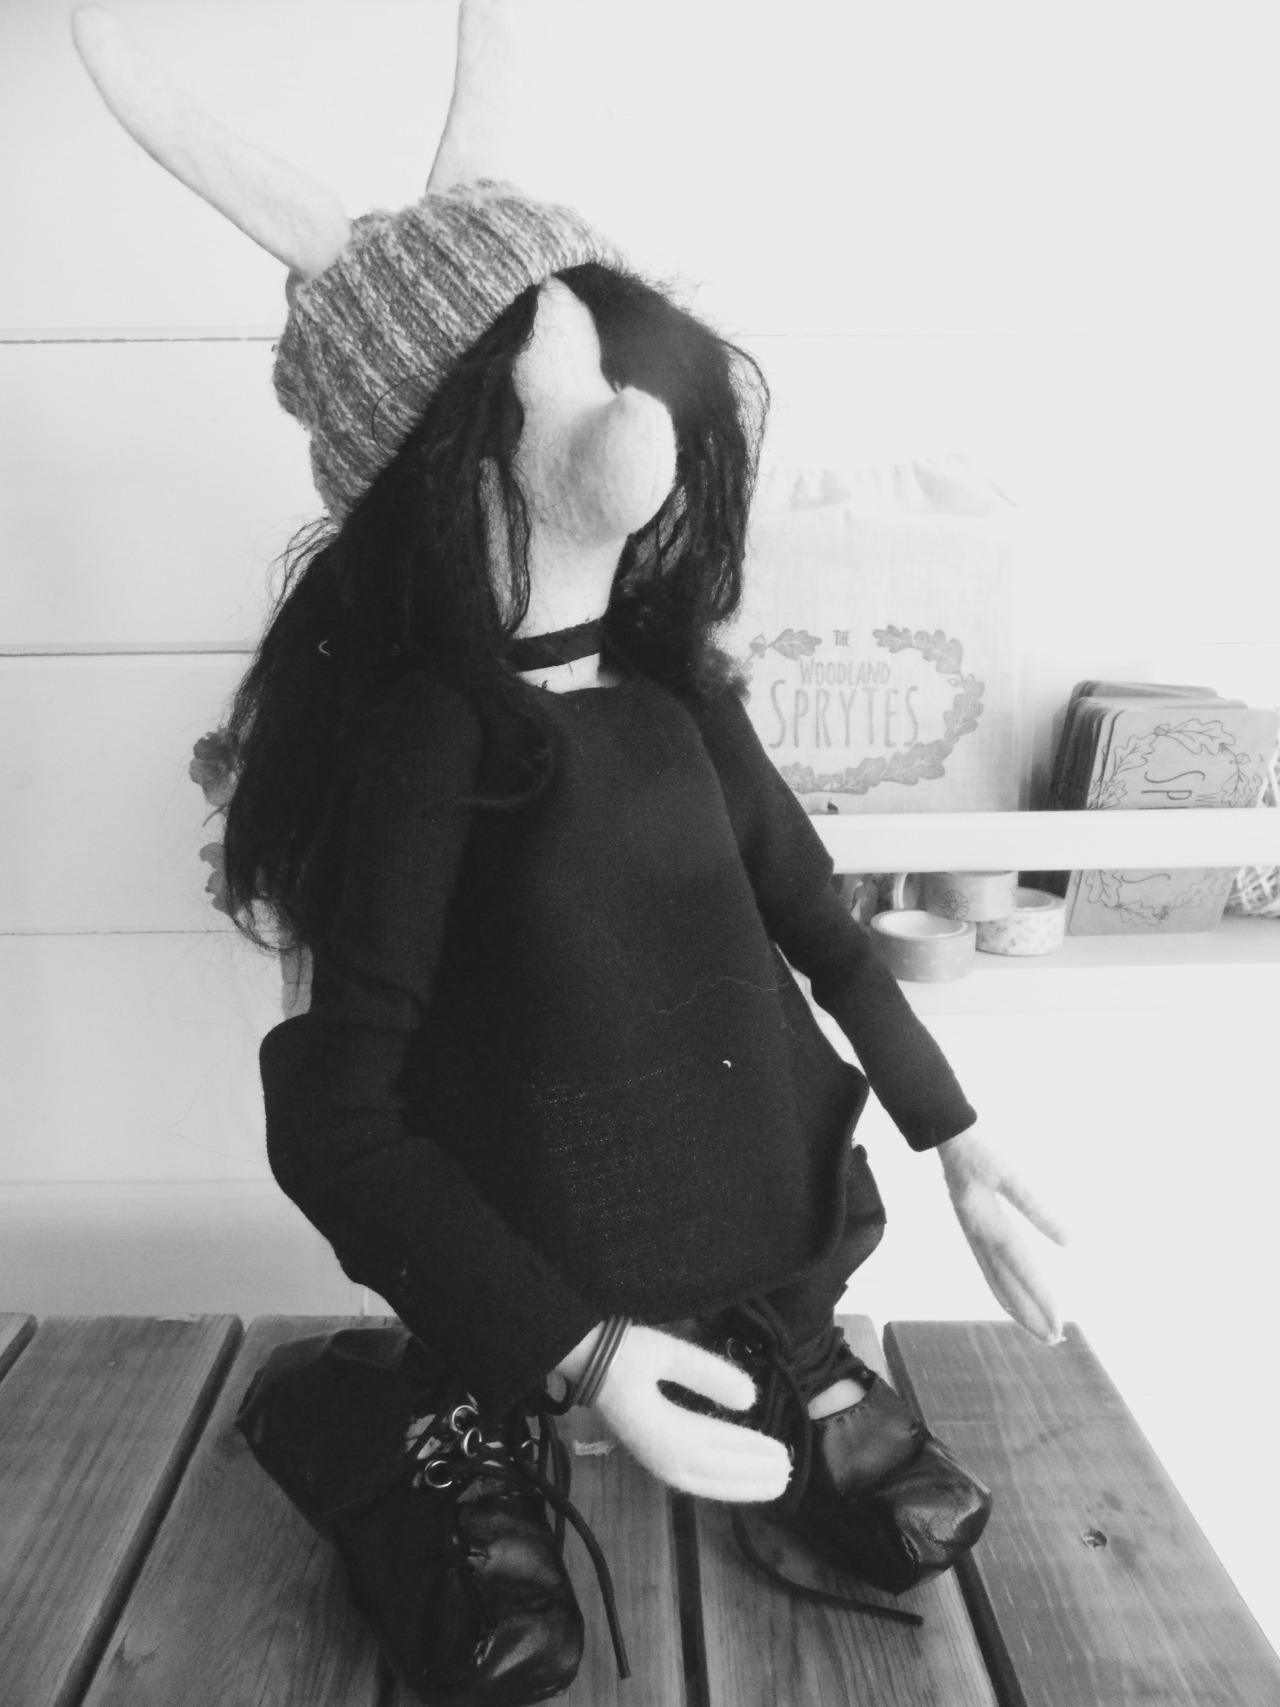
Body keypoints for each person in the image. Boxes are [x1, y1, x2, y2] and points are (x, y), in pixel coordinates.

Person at [73, 9, 1067, 1699]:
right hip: (531, 1202)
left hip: (739, 1160)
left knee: (832, 1372)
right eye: (559, 394)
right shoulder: (428, 747)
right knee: (503, 1563)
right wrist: (578, 1350)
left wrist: (959, 1140)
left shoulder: (681, 700)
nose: (629, 428)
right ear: (429, 465)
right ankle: (457, 1418)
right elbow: (339, 1111)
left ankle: (782, 1347)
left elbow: (819, 930)